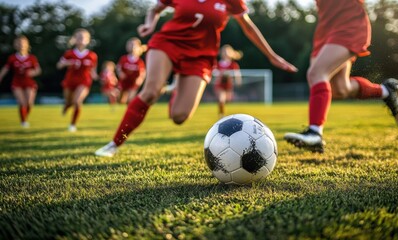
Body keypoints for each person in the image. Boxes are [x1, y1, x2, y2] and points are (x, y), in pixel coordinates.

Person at [95, 0, 297, 157]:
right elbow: (154, 9)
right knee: (150, 92)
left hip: (201, 56)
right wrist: (149, 24)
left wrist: (272, 56)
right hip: (168, 44)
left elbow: (248, 27)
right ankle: (114, 143)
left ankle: (176, 88)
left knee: (179, 117)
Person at [283, 0, 398, 153]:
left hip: (349, 20)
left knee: (316, 73)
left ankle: (315, 132)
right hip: (326, 26)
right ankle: (386, 90)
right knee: (340, 89)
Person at [57, 28, 98, 132]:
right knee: (69, 102)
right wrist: (67, 63)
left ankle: (72, 125)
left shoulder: (92, 55)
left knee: (77, 101)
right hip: (70, 81)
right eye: (78, 37)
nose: (81, 40)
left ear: (88, 40)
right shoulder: (69, 53)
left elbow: (93, 71)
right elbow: (59, 65)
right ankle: (66, 106)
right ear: (74, 39)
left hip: (84, 82)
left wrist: (97, 76)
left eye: (83, 38)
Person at [0, 35, 42, 128]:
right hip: (17, 82)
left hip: (29, 82)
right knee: (22, 102)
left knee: (29, 103)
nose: (21, 45)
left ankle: (24, 116)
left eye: (23, 43)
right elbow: (5, 69)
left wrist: (32, 72)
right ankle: (23, 121)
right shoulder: (12, 58)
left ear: (27, 45)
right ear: (15, 45)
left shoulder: (32, 58)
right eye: (19, 43)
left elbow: (38, 70)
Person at [213, 44, 242, 117]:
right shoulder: (218, 64)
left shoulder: (233, 64)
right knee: (221, 99)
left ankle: (223, 112)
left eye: (227, 51)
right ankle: (221, 114)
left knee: (228, 100)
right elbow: (214, 72)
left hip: (228, 85)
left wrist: (238, 80)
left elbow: (237, 73)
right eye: (224, 51)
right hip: (220, 85)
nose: (225, 53)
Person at [117, 37, 147, 104]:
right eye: (131, 45)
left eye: (135, 45)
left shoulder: (140, 61)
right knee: (121, 100)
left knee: (130, 99)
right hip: (124, 81)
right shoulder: (124, 58)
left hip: (133, 82)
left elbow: (143, 72)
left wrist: (140, 79)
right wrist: (120, 73)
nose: (133, 47)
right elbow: (118, 68)